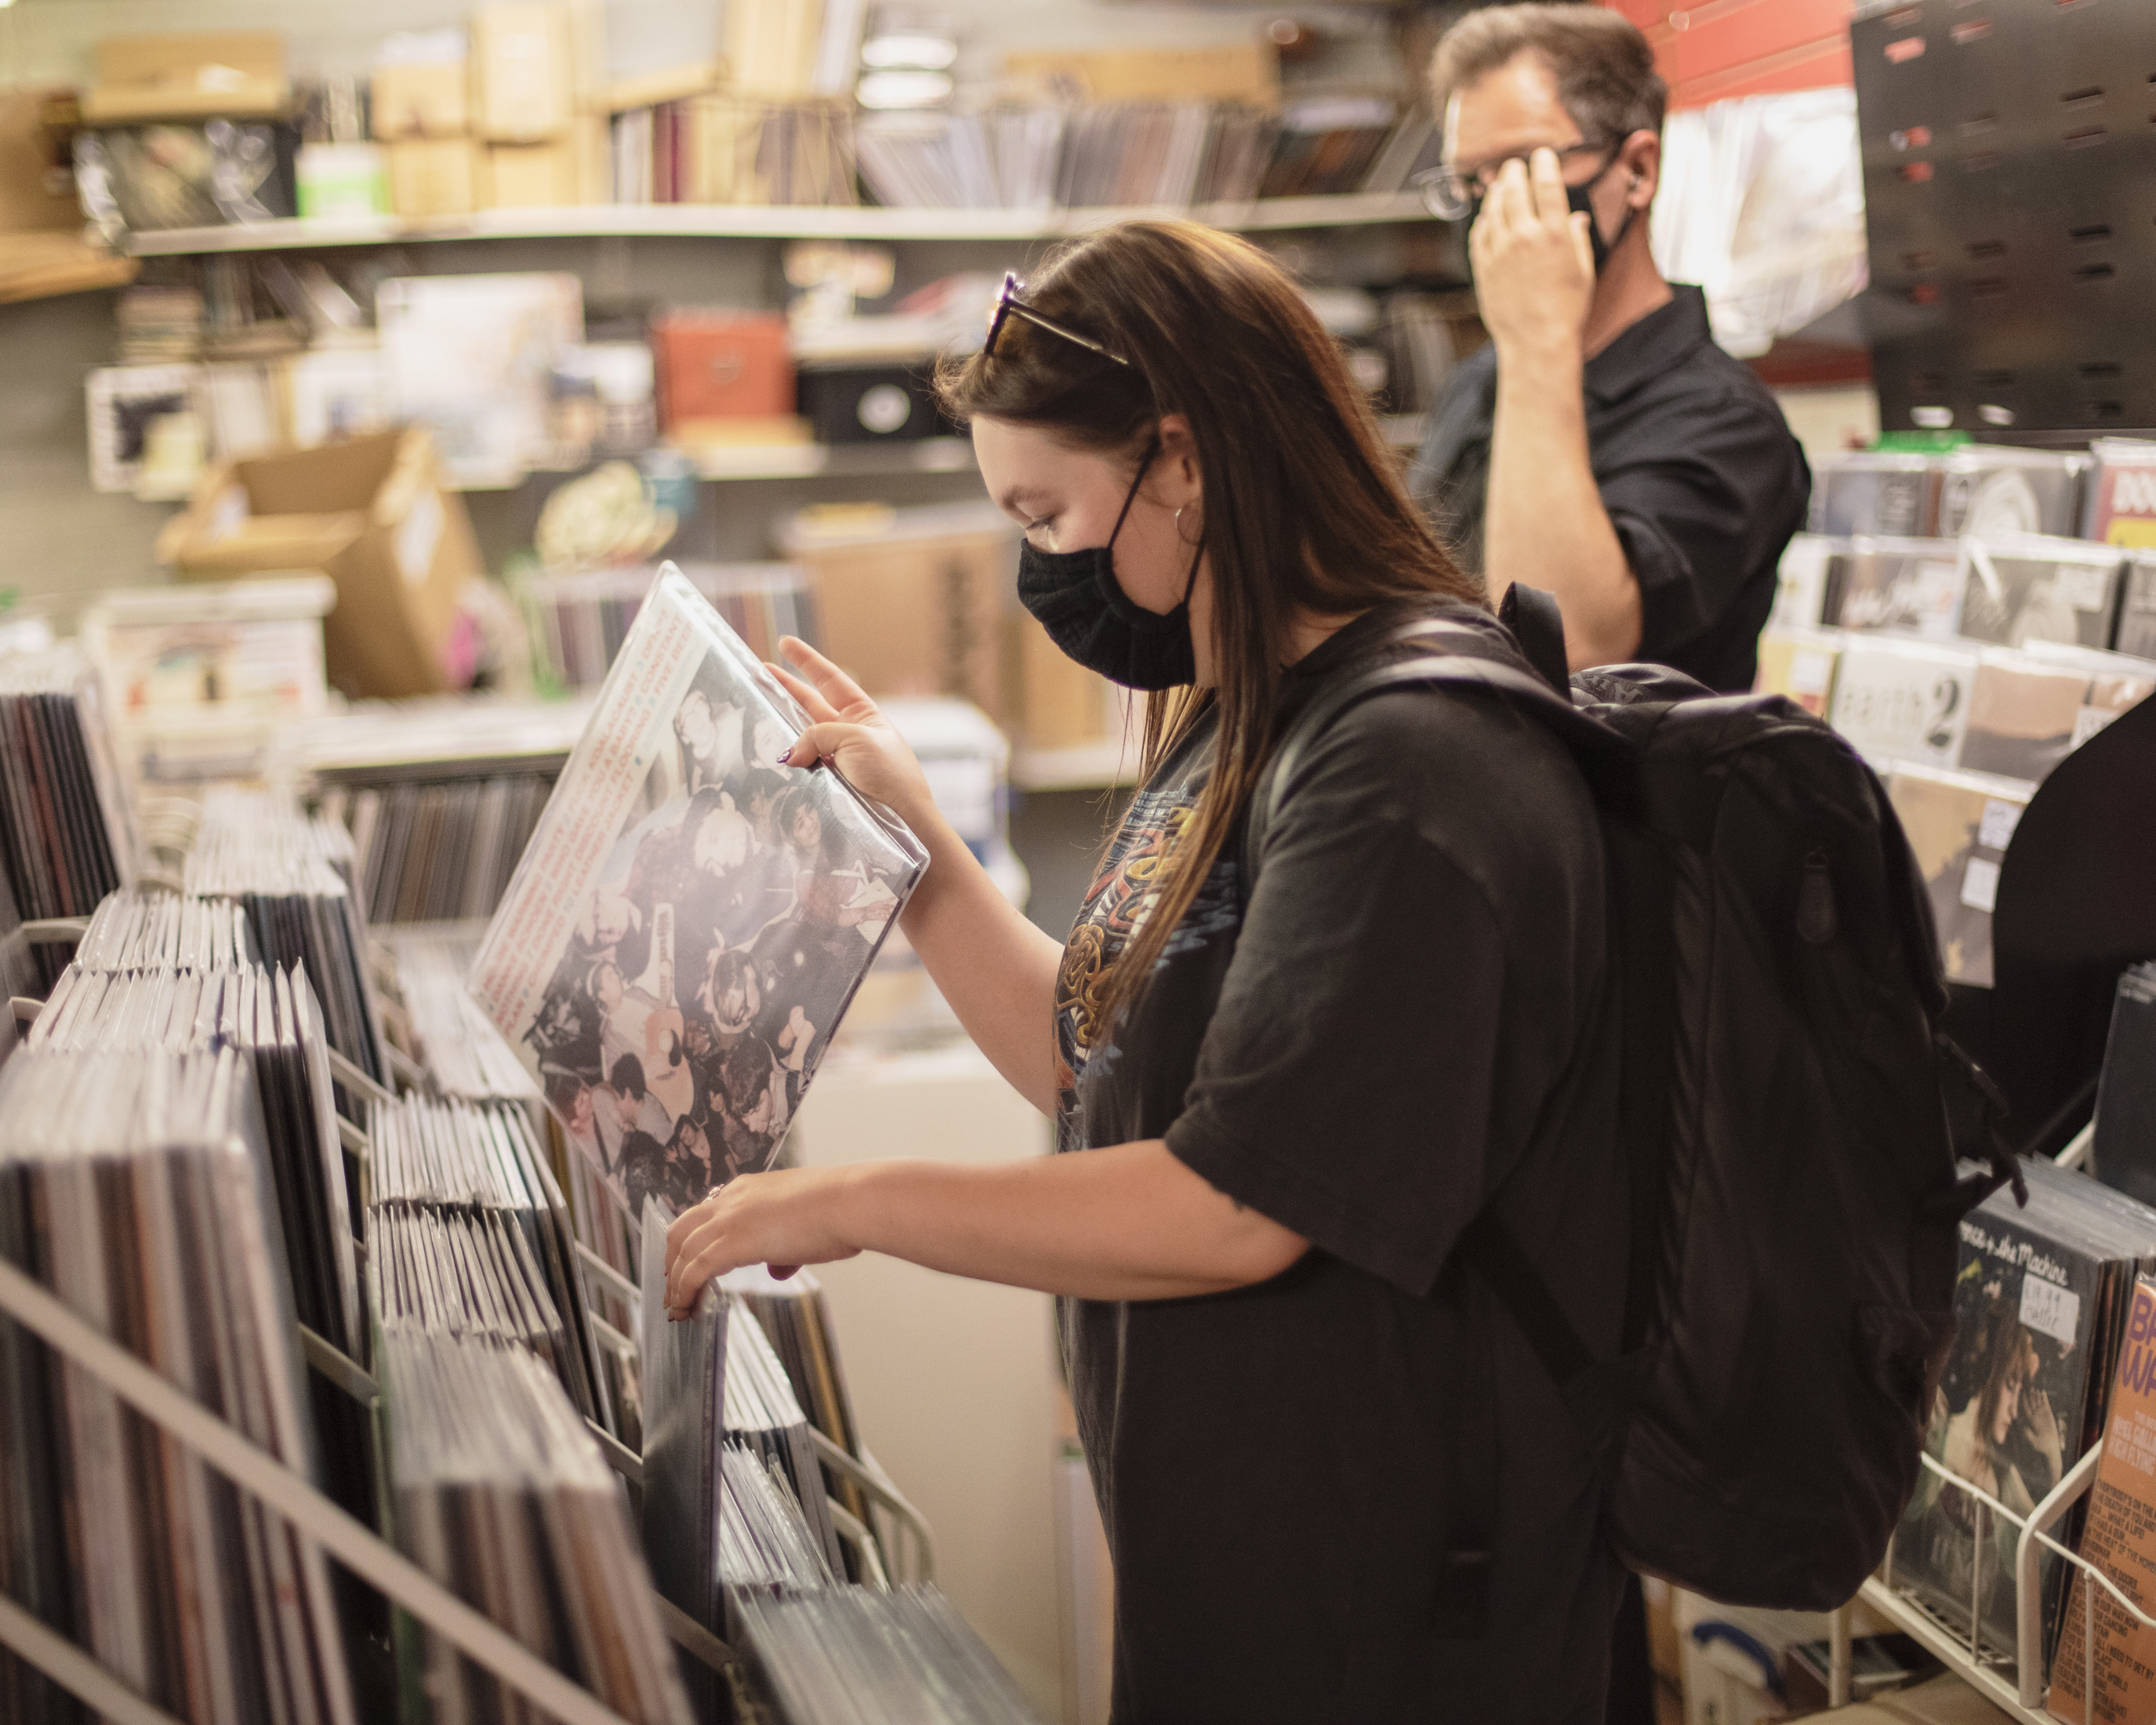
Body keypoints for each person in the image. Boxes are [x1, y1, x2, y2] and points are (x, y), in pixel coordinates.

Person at [662, 220, 1626, 1722]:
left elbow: (1237, 1206)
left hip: (1399, 1602)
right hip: (1244, 1550)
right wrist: (912, 846)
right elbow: (1102, 1063)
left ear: (1181, 458)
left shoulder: (1410, 760)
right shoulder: (1247, 704)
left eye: (1047, 514)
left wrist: (850, 1203)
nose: (1039, 567)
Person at [1408, 4, 1809, 692]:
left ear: (1638, 169)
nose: (1492, 208)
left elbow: (1563, 650)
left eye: (1519, 168)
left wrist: (1539, 339)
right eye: (1468, 182)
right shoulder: (1478, 382)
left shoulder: (1726, 422)